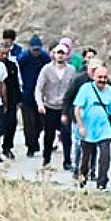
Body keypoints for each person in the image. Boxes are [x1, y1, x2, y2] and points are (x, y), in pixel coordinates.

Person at [72, 65, 111, 190]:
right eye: (100, 77)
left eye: (105, 77)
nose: (102, 80)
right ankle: (82, 179)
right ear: (94, 77)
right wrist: (80, 126)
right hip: (88, 128)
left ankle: (102, 183)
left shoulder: (110, 91)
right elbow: (77, 108)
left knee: (105, 156)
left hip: (104, 128)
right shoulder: (85, 89)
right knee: (86, 157)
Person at [34, 41, 74, 169]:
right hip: (49, 106)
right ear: (54, 55)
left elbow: (74, 89)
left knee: (66, 135)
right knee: (49, 135)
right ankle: (46, 160)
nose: (60, 56)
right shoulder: (47, 69)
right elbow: (39, 88)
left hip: (64, 107)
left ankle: (67, 161)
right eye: (58, 53)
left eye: (63, 53)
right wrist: (40, 103)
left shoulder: (71, 70)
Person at [16, 35, 49, 157]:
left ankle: (35, 139)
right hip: (27, 94)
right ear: (30, 48)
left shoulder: (45, 58)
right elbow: (17, 74)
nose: (36, 52)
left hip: (41, 95)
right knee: (29, 123)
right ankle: (30, 146)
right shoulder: (23, 58)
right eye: (34, 49)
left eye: (38, 49)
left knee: (40, 123)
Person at [0, 41, 22, 160]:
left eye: (7, 54)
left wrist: (19, 98)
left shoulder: (12, 65)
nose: (4, 56)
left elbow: (16, 83)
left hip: (11, 99)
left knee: (12, 123)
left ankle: (7, 147)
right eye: (2, 53)